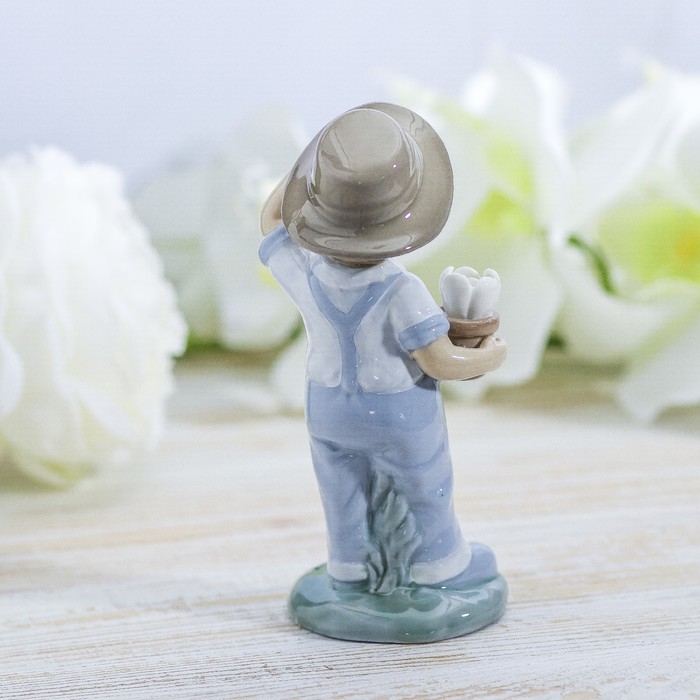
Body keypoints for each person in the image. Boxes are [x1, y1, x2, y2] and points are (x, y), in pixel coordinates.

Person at [259, 103, 506, 602]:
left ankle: (349, 567)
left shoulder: (309, 274)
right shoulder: (401, 289)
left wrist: (316, 172)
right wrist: (492, 356)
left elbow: (269, 221)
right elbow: (439, 361)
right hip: (397, 411)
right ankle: (438, 564)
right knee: (425, 482)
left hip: (327, 406)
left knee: (341, 490)